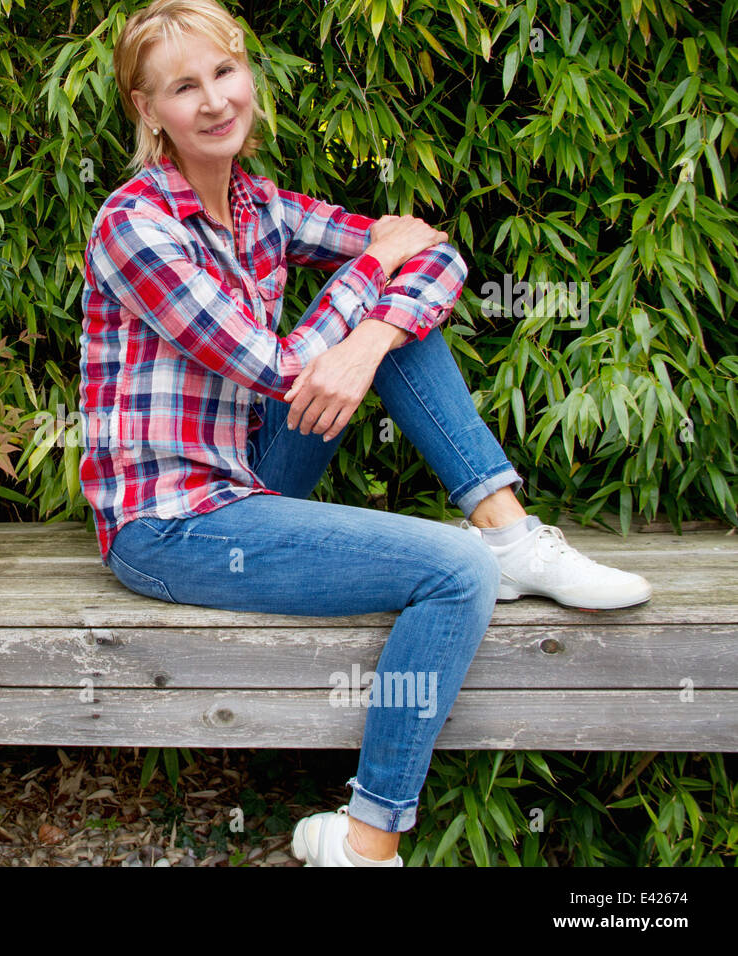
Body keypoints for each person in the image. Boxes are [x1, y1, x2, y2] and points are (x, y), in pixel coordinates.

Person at [78, 0, 652, 866]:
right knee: (451, 571)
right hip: (172, 524)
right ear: (146, 111)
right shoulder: (135, 227)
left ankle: (509, 532)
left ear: (248, 75)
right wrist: (370, 281)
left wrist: (375, 331)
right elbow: (273, 366)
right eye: (182, 87)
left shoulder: (260, 208)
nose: (214, 100)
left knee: (392, 326)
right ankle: (368, 840)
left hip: (248, 472)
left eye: (224, 73)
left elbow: (434, 251)